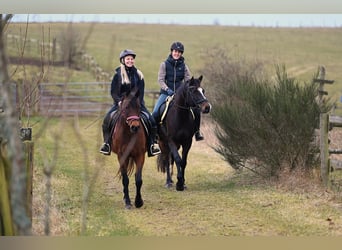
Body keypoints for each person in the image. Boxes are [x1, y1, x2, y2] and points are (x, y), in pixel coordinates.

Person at [99, 49, 161, 157]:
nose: (130, 61)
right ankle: (107, 144)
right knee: (107, 119)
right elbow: (113, 92)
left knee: (151, 120)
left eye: (132, 59)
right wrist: (118, 102)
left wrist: (139, 103)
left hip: (137, 105)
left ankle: (152, 145)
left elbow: (141, 92)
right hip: (121, 104)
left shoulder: (139, 75)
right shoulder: (118, 75)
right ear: (123, 60)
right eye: (128, 59)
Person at [152, 41, 204, 141]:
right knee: (155, 113)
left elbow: (188, 81)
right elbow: (160, 80)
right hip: (166, 93)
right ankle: (154, 135)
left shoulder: (184, 66)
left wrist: (187, 90)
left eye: (179, 52)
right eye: (175, 51)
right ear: (172, 52)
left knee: (196, 110)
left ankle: (197, 133)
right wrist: (168, 90)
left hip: (181, 95)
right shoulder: (164, 64)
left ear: (181, 54)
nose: (177, 53)